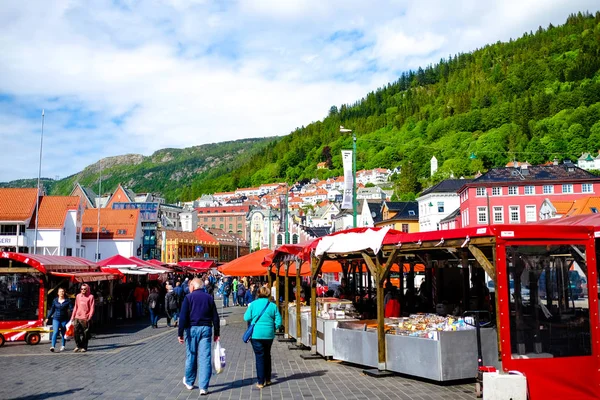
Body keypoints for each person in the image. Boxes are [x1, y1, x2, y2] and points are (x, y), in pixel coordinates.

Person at [178, 278, 220, 395]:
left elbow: (183, 317)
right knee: (205, 357)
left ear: (193, 286)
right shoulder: (209, 298)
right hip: (206, 329)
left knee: (191, 356)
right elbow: (215, 317)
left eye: (190, 286)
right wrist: (217, 333)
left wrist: (180, 333)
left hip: (192, 329)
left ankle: (190, 382)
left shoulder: (188, 298)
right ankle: (204, 387)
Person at [244, 286, 282, 389]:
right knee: (267, 355)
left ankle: (261, 381)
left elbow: (246, 317)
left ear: (258, 294)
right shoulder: (272, 306)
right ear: (269, 294)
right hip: (269, 334)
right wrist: (274, 328)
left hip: (256, 334)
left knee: (259, 357)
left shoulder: (253, 304)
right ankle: (268, 379)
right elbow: (279, 320)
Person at [45, 287, 72, 352]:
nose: (61, 293)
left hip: (64, 319)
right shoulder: (55, 300)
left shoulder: (68, 300)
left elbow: (71, 309)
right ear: (58, 293)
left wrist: (74, 315)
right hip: (56, 318)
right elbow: (52, 309)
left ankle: (63, 345)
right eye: (60, 292)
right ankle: (53, 346)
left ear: (64, 292)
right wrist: (47, 317)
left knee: (63, 333)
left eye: (62, 291)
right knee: (56, 331)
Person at [70, 283, 95, 353]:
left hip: (85, 318)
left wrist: (89, 317)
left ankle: (84, 347)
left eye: (84, 289)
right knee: (75, 332)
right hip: (77, 317)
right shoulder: (78, 296)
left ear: (87, 289)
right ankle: (78, 345)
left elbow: (92, 308)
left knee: (85, 333)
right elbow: (76, 306)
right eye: (81, 289)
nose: (83, 290)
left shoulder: (90, 297)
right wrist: (72, 317)